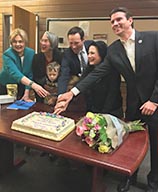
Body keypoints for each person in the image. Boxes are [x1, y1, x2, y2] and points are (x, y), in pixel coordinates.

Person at [54, 7, 158, 192]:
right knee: (132, 146)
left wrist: (154, 100)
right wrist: (72, 93)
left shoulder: (153, 38)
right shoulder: (114, 50)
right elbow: (97, 73)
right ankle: (129, 178)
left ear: (130, 20)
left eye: (119, 19)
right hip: (134, 106)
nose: (115, 24)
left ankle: (153, 183)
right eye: (112, 21)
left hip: (155, 103)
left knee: (156, 146)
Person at [0, 28, 49, 101]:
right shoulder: (7, 55)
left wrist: (26, 93)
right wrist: (34, 85)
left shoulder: (30, 53)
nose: (18, 44)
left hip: (22, 85)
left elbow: (29, 74)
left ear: (25, 42)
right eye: (14, 42)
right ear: (11, 43)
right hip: (6, 86)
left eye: (20, 41)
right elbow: (16, 74)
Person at [83, 40, 123, 117]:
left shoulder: (112, 71)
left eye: (92, 53)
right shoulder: (88, 69)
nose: (89, 56)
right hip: (93, 111)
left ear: (101, 54)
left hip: (111, 112)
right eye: (88, 53)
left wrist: (103, 115)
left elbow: (112, 95)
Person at [57, 26, 93, 95]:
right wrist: (61, 95)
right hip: (79, 88)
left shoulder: (92, 46)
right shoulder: (67, 54)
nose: (73, 46)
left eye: (76, 43)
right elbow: (64, 75)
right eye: (71, 43)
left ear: (83, 40)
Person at [32, 31, 62, 102]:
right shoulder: (37, 58)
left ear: (52, 43)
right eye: (42, 40)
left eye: (46, 41)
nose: (43, 43)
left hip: (58, 92)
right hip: (42, 93)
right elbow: (36, 77)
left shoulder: (61, 56)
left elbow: (64, 75)